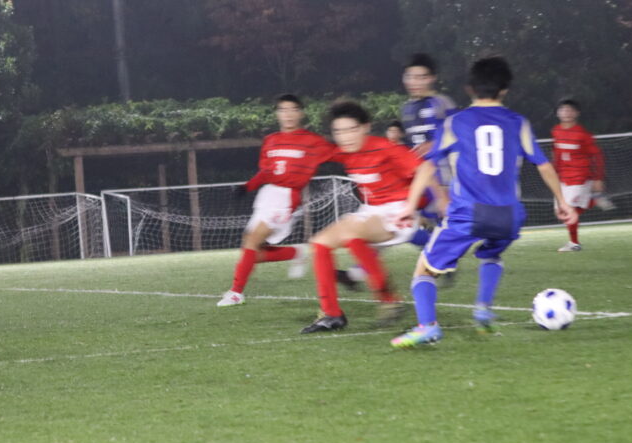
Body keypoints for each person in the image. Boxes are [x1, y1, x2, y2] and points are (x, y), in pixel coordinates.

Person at [390, 56, 577, 348]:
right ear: (505, 90)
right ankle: (482, 309)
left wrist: (409, 206)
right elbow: (543, 165)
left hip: (469, 213)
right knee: (491, 254)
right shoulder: (518, 122)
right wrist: (562, 202)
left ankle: (427, 327)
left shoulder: (456, 122)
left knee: (424, 269)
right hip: (509, 216)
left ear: (470, 88)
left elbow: (428, 165)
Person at [301, 100, 433, 334]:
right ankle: (333, 314)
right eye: (338, 131)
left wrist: (411, 207)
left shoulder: (385, 148)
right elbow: (314, 151)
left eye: (351, 129)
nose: (345, 137)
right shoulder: (344, 152)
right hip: (371, 212)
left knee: (351, 230)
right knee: (319, 243)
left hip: (397, 213)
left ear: (365, 127)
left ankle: (385, 292)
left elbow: (426, 169)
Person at [217, 94, 335, 307]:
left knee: (252, 242)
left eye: (292, 109)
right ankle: (296, 252)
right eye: (283, 110)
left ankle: (236, 292)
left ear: (300, 113)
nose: (288, 114)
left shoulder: (312, 141)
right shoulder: (270, 140)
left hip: (286, 198)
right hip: (267, 195)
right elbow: (266, 172)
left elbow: (339, 153)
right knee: (252, 250)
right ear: (277, 114)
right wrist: (247, 187)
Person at [551, 98, 610, 252]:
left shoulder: (583, 134)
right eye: (563, 110)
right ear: (557, 113)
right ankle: (593, 200)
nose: (566, 113)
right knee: (561, 212)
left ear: (577, 113)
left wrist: (598, 178)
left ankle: (574, 244)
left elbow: (597, 156)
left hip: (580, 176)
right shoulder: (556, 130)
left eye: (570, 110)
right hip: (563, 176)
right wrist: (554, 172)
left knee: (568, 210)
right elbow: (556, 153)